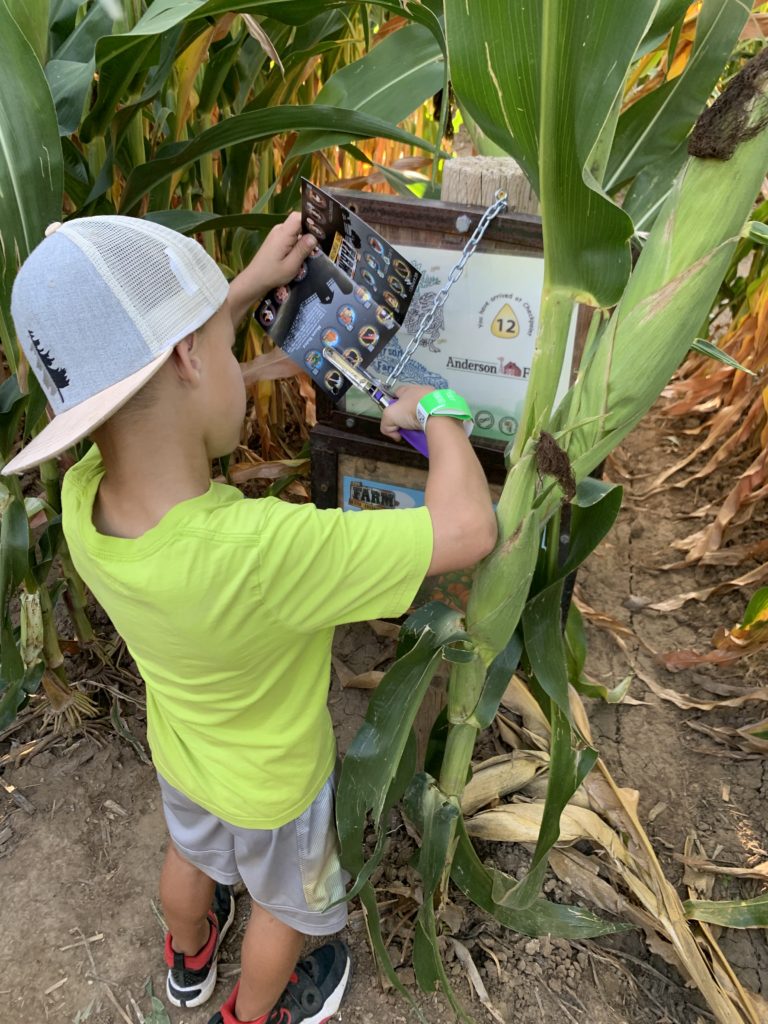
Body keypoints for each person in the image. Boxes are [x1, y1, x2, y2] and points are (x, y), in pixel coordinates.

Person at [2, 213, 497, 1024]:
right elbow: (469, 530)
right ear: (192, 357)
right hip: (277, 790)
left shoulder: (83, 495)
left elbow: (151, 380)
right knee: (287, 911)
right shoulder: (262, 553)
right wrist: (440, 412)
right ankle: (249, 1012)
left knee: (190, 857)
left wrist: (244, 290)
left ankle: (188, 961)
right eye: (227, 343)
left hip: (185, 755)